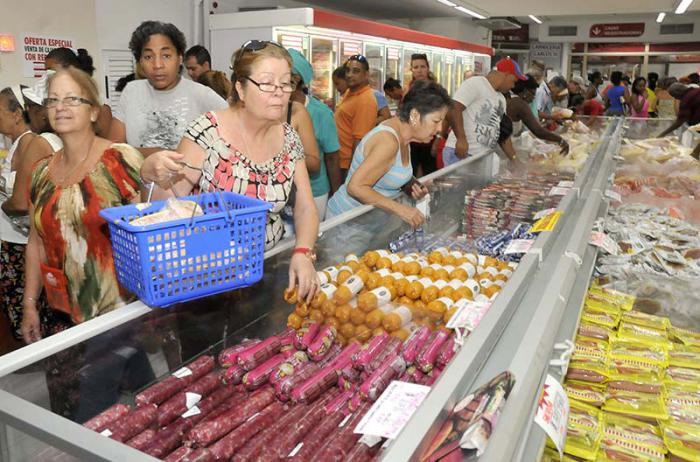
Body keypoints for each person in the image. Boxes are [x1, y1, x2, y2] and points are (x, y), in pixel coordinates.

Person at [140, 40, 319, 302]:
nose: (279, 92)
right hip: (209, 275)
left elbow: (305, 204)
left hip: (266, 267)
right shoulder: (208, 132)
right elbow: (167, 209)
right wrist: (148, 178)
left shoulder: (289, 138)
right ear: (241, 88)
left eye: (285, 83)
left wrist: (303, 251)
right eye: (267, 83)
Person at [21, 67, 145, 342]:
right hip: (61, 315)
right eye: (53, 100)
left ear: (93, 111)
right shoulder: (41, 172)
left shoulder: (120, 160)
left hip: (117, 315)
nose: (60, 107)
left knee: (104, 385)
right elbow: (35, 242)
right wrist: (30, 303)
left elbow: (149, 230)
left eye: (72, 99)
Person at [0, 86, 71, 344]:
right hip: (40, 241)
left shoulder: (37, 143)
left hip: (31, 241)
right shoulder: (45, 142)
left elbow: (20, 202)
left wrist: (5, 204)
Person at [326, 80, 446, 226]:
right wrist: (401, 210)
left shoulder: (405, 136)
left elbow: (387, 171)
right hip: (347, 224)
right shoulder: (388, 141)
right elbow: (356, 187)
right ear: (414, 115)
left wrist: (411, 185)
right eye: (436, 121)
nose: (440, 128)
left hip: (369, 223)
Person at [109, 21, 228, 156]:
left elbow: (239, 133)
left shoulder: (201, 94)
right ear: (140, 62)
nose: (158, 65)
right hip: (138, 177)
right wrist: (155, 153)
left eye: (166, 56)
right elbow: (113, 150)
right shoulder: (132, 91)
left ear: (179, 58)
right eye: (148, 57)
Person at [288, 49, 341, 219]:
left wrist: (336, 194)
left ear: (296, 81)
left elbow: (332, 157)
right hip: (281, 192)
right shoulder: (272, 110)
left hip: (314, 191)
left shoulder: (320, 113)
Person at [443, 58, 524, 166]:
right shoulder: (476, 83)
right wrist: (461, 139)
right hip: (462, 154)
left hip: (481, 157)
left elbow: (503, 134)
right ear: (507, 74)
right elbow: (453, 108)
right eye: (513, 81)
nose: (513, 86)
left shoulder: (501, 99)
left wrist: (514, 160)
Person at [44, 47, 112, 137]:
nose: (46, 76)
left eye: (51, 70)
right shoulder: (49, 97)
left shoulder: (98, 99)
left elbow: (105, 138)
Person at [334, 55, 378, 181]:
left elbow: (360, 141)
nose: (349, 75)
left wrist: (352, 174)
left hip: (347, 165)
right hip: (339, 160)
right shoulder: (351, 92)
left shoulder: (366, 100)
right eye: (348, 70)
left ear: (366, 74)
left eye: (356, 71)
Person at [506, 75, 569, 154]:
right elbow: (538, 130)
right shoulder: (519, 104)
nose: (533, 98)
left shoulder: (512, 99)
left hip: (508, 147)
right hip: (507, 150)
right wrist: (561, 140)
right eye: (532, 94)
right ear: (525, 91)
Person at [406, 53, 440, 177]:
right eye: (416, 67)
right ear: (411, 70)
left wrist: (437, 140)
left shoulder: (435, 90)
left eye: (422, 67)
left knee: (430, 176)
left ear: (428, 68)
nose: (419, 71)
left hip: (429, 141)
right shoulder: (409, 88)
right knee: (411, 175)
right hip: (411, 141)